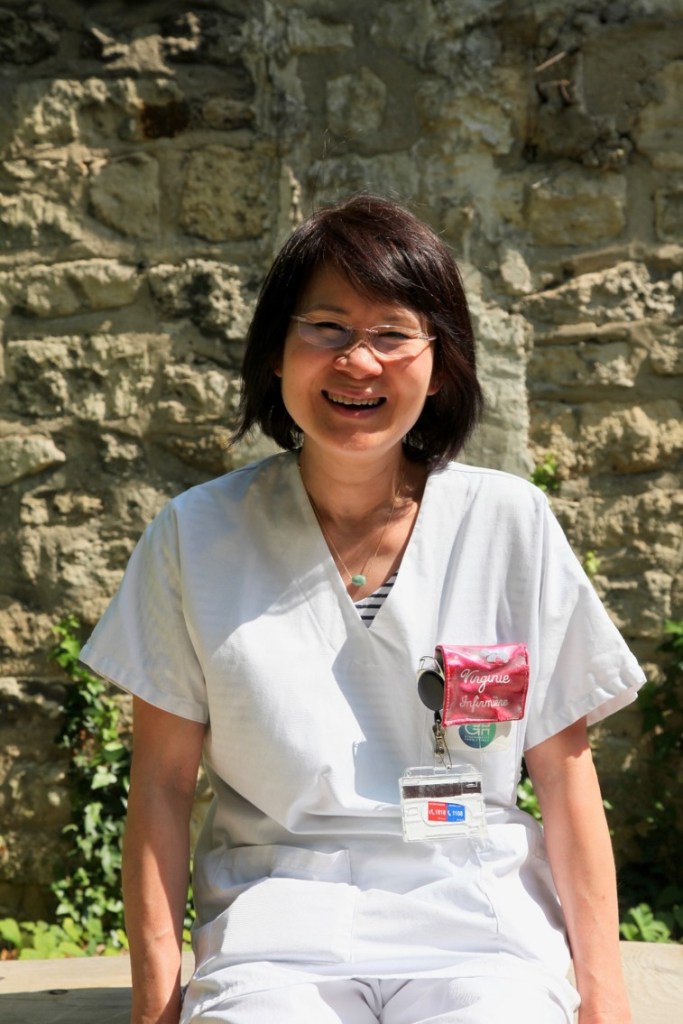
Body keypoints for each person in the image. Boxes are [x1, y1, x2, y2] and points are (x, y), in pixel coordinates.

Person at [80, 194, 645, 1024]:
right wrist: (155, 1004)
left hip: (476, 920)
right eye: (327, 329)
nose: (358, 362)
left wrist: (606, 1003)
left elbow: (563, 776)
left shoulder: (507, 523)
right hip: (276, 925)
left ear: (438, 361)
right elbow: (161, 787)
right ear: (276, 352)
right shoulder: (195, 536)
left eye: (391, 333)